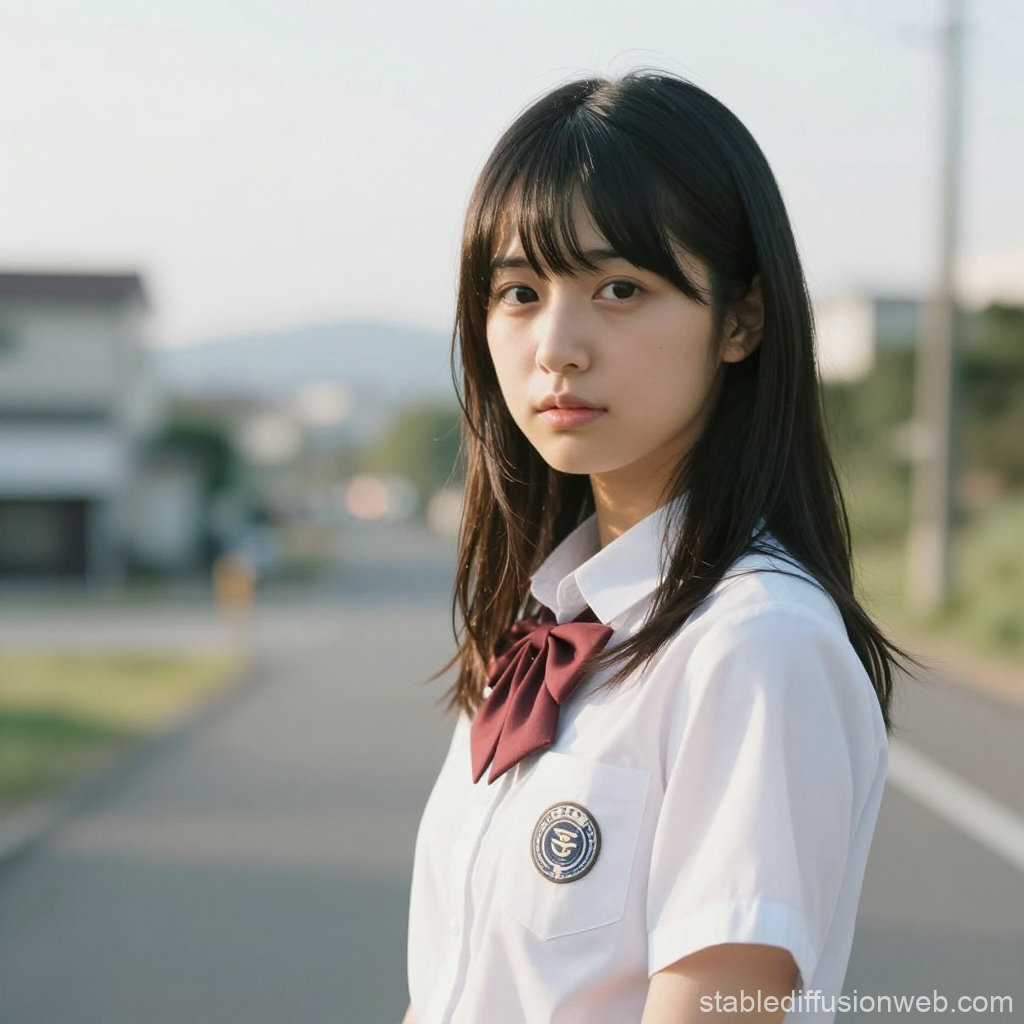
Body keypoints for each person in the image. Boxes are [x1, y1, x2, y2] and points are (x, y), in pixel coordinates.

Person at [402, 70, 916, 1024]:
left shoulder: (756, 644)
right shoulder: (543, 637)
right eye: (518, 291)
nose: (557, 344)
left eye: (621, 288)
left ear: (742, 319)